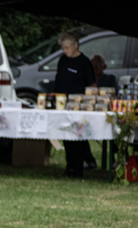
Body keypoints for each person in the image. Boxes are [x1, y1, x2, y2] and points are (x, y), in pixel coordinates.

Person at [54, 32, 96, 179]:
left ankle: (77, 169)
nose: (64, 50)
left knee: (77, 137)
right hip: (63, 104)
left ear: (75, 45)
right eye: (63, 48)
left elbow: (92, 85)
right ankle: (69, 166)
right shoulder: (62, 61)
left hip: (79, 106)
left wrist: (89, 103)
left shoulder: (84, 62)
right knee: (66, 135)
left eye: (67, 47)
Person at [83, 54, 117, 170]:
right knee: (79, 129)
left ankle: (113, 161)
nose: (95, 68)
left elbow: (114, 96)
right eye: (93, 65)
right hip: (89, 114)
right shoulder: (86, 79)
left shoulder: (110, 79)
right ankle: (89, 160)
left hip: (106, 115)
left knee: (115, 129)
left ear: (104, 66)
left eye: (98, 65)